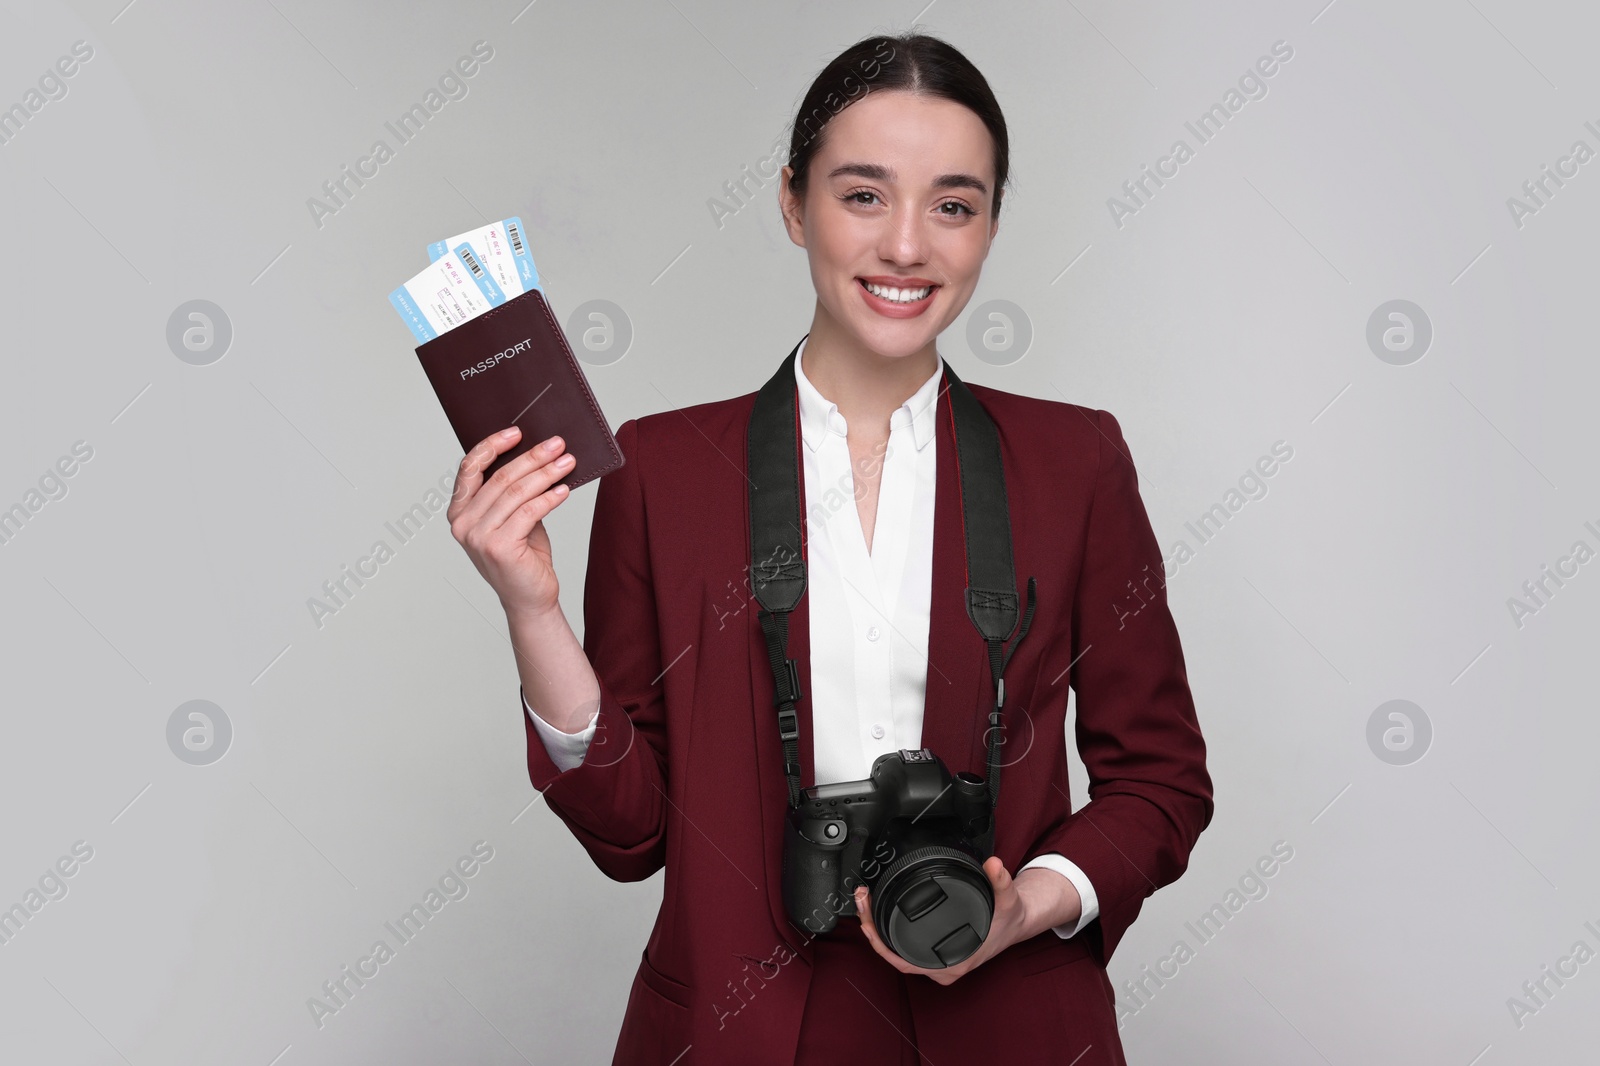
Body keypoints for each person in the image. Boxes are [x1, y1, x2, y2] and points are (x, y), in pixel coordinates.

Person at [447, 31, 1212, 1066]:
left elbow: (1160, 780)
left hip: (1007, 1027)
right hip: (738, 1029)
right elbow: (628, 836)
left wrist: (1028, 903)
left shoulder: (1074, 460)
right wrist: (530, 611)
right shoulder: (663, 469)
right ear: (790, 203)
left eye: (953, 204)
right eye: (862, 195)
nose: (907, 245)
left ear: (988, 228)